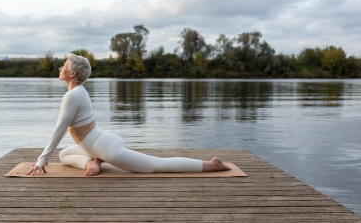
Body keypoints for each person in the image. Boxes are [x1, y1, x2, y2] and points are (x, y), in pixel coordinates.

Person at [27, 53, 231, 176]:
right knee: (64, 155)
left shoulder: (73, 95)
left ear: (72, 74)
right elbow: (64, 132)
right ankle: (93, 161)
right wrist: (47, 158)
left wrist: (42, 160)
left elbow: (59, 130)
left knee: (156, 165)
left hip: (108, 148)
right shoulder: (78, 92)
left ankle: (211, 165)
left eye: (65, 66)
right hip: (97, 143)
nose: (60, 67)